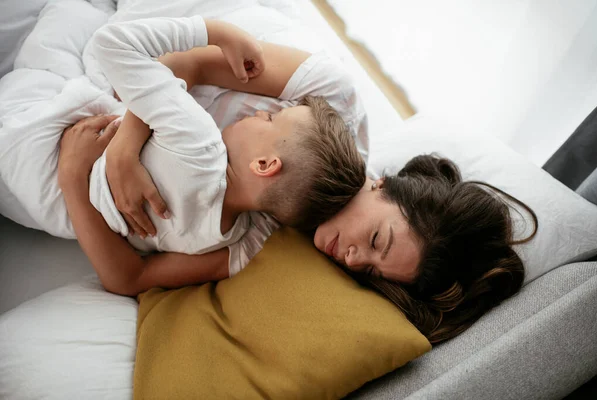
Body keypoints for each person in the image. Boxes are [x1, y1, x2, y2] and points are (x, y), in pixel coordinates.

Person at [60, 17, 537, 344]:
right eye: (376, 239)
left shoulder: (267, 237)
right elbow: (190, 61)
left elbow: (134, 277)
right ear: (383, 184)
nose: (352, 260)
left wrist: (72, 177)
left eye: (369, 272)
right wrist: (126, 145)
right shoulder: (333, 104)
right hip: (164, 72)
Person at [69, 15, 365, 285]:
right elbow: (125, 280)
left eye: (272, 118)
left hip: (65, 143)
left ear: (264, 164)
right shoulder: (234, 242)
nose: (262, 113)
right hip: (65, 216)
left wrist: (215, 31)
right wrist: (72, 182)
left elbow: (111, 43)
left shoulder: (199, 142)